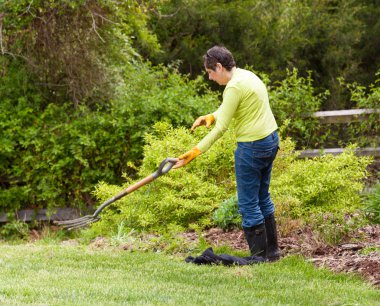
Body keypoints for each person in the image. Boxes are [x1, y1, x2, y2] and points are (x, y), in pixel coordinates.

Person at [174, 45, 280, 261]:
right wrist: (211, 116)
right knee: (262, 197)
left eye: (210, 73)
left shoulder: (232, 87)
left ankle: (258, 257)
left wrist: (194, 152)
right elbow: (229, 108)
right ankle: (272, 252)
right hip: (270, 140)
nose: (211, 78)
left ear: (219, 67)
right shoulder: (246, 76)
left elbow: (222, 129)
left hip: (251, 148)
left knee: (248, 203)